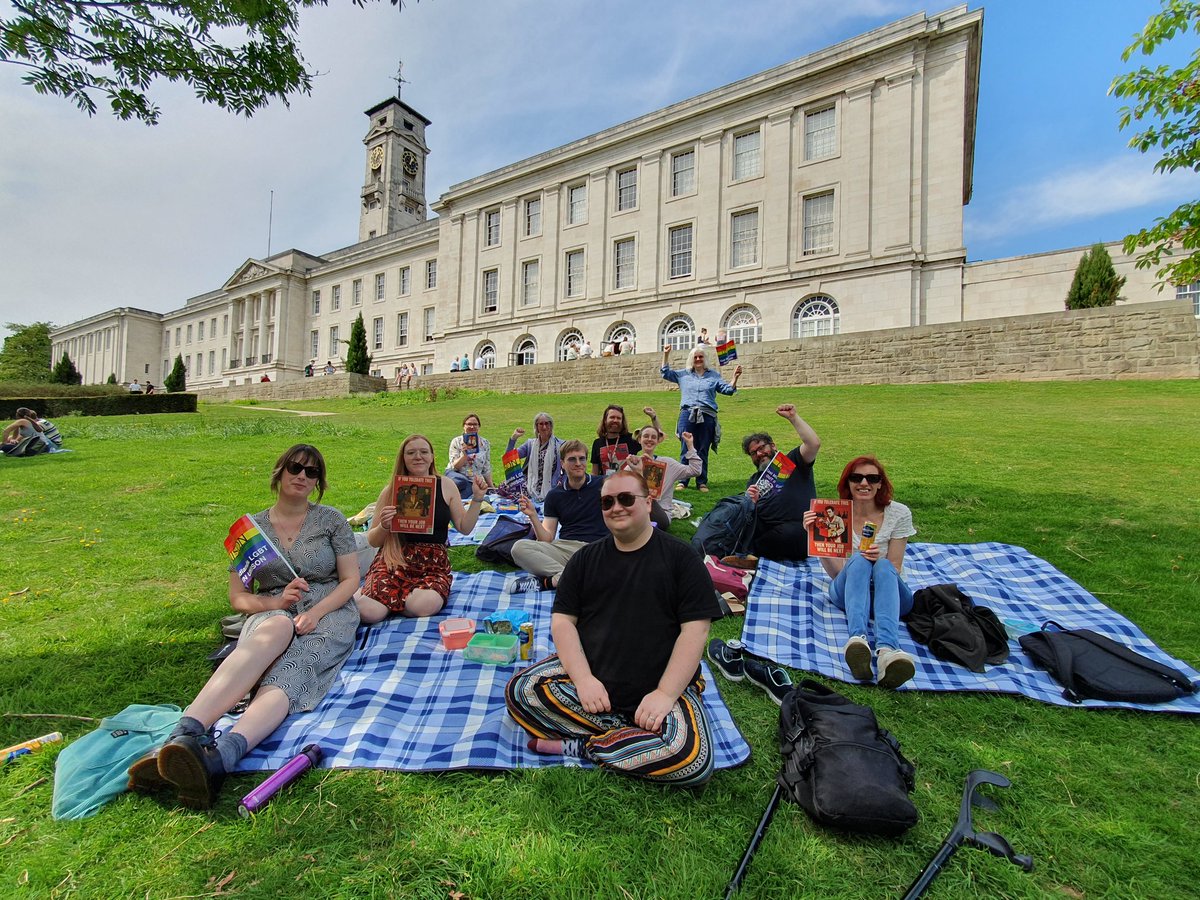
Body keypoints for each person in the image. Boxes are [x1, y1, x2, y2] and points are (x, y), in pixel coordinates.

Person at [126, 444, 360, 809]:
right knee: (274, 630)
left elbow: (350, 580)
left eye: (311, 472)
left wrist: (316, 613)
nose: (302, 476)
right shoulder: (249, 530)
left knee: (292, 673)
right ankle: (185, 735)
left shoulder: (331, 520)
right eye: (296, 467)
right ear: (280, 472)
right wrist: (275, 603)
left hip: (329, 611)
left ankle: (222, 756)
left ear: (318, 482)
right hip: (272, 606)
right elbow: (238, 597)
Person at [505, 468, 720, 786]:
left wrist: (664, 694)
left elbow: (696, 631)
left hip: (659, 685)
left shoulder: (682, 559)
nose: (616, 507)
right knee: (521, 692)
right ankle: (633, 737)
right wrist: (584, 680)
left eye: (625, 498)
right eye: (607, 502)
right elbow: (563, 622)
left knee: (692, 760)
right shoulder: (584, 560)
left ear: (648, 503)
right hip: (595, 683)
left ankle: (585, 745)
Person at [803, 456, 917, 689]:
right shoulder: (834, 514)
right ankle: (858, 641)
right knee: (858, 559)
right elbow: (837, 575)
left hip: (890, 591)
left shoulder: (898, 513)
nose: (864, 483)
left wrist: (878, 560)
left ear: (880, 484)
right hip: (850, 591)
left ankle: (887, 651)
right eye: (857, 477)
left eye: (872, 478)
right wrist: (814, 537)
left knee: (883, 565)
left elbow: (895, 566)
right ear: (848, 483)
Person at [355, 434, 487, 622]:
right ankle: (385, 600)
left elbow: (464, 528)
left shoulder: (446, 485)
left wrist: (477, 498)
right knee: (369, 613)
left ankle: (390, 601)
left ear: (432, 456)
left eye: (424, 452)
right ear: (403, 458)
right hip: (394, 561)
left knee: (425, 605)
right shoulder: (391, 489)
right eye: (411, 452)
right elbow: (373, 540)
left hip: (432, 565)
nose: (418, 456)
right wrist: (384, 526)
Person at [509, 440, 607, 592]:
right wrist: (534, 515)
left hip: (598, 549)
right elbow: (547, 538)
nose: (578, 463)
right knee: (519, 548)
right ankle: (570, 577)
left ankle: (551, 582)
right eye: (572, 459)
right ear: (562, 463)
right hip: (565, 548)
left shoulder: (603, 485)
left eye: (582, 458)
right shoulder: (555, 495)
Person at [735, 404, 821, 563]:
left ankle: (750, 553)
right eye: (753, 453)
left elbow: (813, 444)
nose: (759, 454)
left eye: (762, 448)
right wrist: (750, 501)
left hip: (799, 530)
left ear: (773, 446)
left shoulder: (793, 462)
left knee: (789, 534)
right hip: (768, 534)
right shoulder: (754, 480)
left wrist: (793, 418)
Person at [660, 344, 742, 492]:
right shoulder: (683, 374)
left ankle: (701, 482)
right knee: (686, 447)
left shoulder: (714, 376)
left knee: (703, 448)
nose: (698, 359)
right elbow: (665, 373)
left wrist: (735, 378)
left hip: (707, 415)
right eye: (695, 357)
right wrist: (666, 354)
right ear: (692, 359)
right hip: (688, 413)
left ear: (705, 359)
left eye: (701, 357)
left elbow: (728, 390)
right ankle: (683, 481)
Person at [630, 406, 699, 531]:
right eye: (646, 436)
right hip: (637, 512)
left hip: (660, 515)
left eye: (653, 437)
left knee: (648, 501)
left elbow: (695, 470)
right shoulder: (632, 463)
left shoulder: (667, 463)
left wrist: (690, 446)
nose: (649, 439)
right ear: (639, 439)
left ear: (657, 441)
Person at [506, 412, 566, 503]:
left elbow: (567, 467)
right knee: (505, 487)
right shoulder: (530, 444)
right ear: (536, 427)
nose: (544, 427)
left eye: (547, 423)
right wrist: (514, 438)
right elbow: (509, 459)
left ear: (551, 426)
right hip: (530, 484)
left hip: (551, 485)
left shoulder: (560, 445)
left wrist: (562, 484)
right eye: (541, 424)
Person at [446, 413, 495, 498]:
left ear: (479, 427)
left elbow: (486, 468)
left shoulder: (485, 443)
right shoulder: (457, 441)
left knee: (477, 491)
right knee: (465, 485)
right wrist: (464, 455)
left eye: (475, 424)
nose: (472, 427)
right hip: (458, 476)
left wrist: (492, 488)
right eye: (469, 424)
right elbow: (455, 467)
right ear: (464, 426)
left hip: (475, 479)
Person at [590, 404, 641, 477]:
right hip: (606, 486)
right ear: (605, 420)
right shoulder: (597, 443)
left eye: (619, 418)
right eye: (612, 417)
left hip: (627, 485)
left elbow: (654, 438)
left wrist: (653, 418)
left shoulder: (631, 439)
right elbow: (595, 472)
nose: (615, 420)